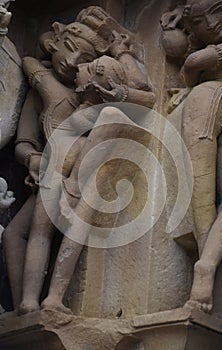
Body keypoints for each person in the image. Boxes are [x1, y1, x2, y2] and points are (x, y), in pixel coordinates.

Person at [3, 6, 155, 314]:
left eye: (84, 61)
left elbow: (143, 95)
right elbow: (24, 142)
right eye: (70, 49)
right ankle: (25, 305)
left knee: (60, 226)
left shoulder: (93, 91)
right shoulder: (47, 89)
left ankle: (41, 302)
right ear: (56, 39)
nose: (73, 63)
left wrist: (120, 56)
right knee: (14, 234)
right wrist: (32, 158)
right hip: (50, 167)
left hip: (71, 167)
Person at [161, 0, 222, 314]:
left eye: (219, 10)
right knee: (212, 201)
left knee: (215, 201)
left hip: (209, 104)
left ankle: (207, 270)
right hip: (210, 106)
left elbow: (192, 66)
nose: (212, 24)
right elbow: (192, 63)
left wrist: (193, 52)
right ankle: (209, 272)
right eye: (202, 21)